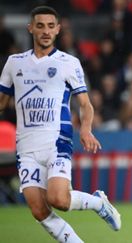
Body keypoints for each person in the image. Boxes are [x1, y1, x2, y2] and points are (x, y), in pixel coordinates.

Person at [0, 6, 121, 242]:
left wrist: (85, 129)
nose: (45, 31)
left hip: (57, 141)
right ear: (31, 28)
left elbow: (86, 104)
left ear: (58, 29)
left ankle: (98, 203)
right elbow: (2, 102)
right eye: (40, 25)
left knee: (59, 200)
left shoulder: (68, 62)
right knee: (39, 210)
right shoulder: (14, 64)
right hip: (26, 147)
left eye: (50, 26)